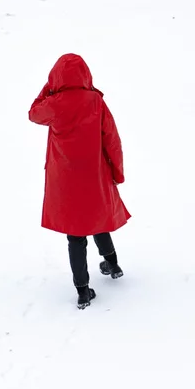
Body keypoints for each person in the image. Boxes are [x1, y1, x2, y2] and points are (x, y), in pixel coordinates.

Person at [29, 54, 130, 309]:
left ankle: (83, 291)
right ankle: (113, 263)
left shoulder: (54, 103)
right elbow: (112, 139)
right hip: (95, 175)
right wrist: (117, 171)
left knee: (76, 234)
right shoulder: (95, 101)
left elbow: (33, 113)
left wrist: (50, 88)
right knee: (97, 219)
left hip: (66, 182)